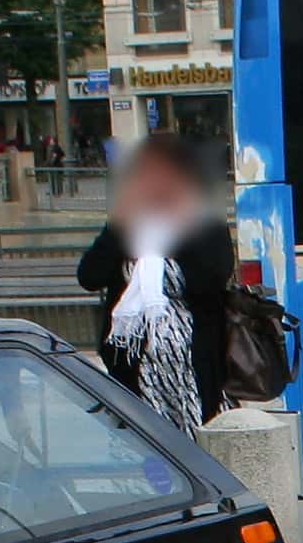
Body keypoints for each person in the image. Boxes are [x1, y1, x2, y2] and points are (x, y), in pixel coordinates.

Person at [78, 134, 253, 429]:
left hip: (194, 376)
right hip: (135, 374)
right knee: (146, 457)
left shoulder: (204, 224)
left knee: (194, 455)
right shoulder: (127, 226)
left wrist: (181, 227)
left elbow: (209, 281)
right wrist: (117, 227)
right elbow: (89, 277)